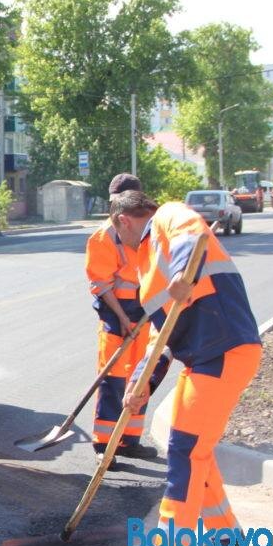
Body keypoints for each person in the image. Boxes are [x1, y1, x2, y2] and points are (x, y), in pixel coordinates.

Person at [100, 190, 262, 546]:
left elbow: (195, 237)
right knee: (195, 449)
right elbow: (162, 338)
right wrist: (141, 387)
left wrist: (181, 277)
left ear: (123, 222)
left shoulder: (169, 217)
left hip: (222, 349)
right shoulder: (147, 263)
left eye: (115, 236)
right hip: (205, 358)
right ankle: (228, 542)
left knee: (185, 452)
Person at [84, 174, 157, 468]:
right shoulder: (103, 238)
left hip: (147, 311)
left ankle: (129, 440)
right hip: (117, 314)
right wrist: (124, 318)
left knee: (141, 377)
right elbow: (100, 284)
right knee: (113, 378)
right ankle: (105, 443)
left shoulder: (149, 230)